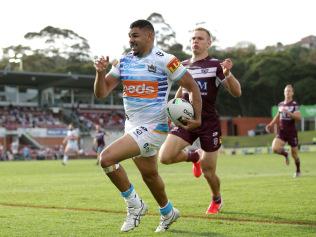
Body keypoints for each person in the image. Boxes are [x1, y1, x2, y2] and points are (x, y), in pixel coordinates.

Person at [94, 19, 201, 232]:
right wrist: (99, 73)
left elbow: (192, 86)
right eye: (129, 36)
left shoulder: (166, 60)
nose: (130, 40)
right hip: (131, 125)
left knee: (106, 159)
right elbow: (102, 92)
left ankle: (135, 205)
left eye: (135, 35)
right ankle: (168, 212)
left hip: (155, 127)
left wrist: (198, 118)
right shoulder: (123, 61)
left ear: (149, 36)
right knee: (150, 175)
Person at [158, 27, 241, 215]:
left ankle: (216, 199)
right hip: (186, 119)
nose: (195, 41)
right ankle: (193, 156)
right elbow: (181, 91)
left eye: (200, 38)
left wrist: (228, 73)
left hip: (208, 123)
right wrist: (173, 111)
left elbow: (236, 92)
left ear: (209, 43)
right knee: (165, 157)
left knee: (208, 171)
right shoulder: (183, 65)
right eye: (193, 38)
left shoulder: (216, 65)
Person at [265, 84, 301, 178]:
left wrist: (289, 113)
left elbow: (298, 118)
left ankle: (298, 170)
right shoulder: (281, 104)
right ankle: (285, 154)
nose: (287, 93)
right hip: (282, 131)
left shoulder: (294, 104)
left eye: (289, 91)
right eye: (286, 91)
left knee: (295, 154)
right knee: (274, 148)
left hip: (292, 132)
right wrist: (271, 124)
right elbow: (278, 115)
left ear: (292, 93)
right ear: (284, 93)